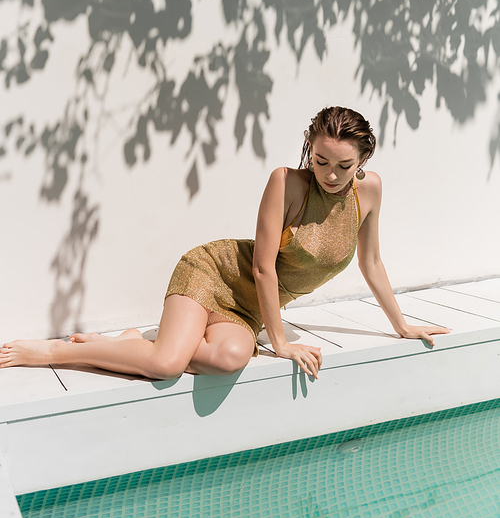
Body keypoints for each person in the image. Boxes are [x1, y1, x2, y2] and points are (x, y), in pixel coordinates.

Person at [0, 106, 449, 380]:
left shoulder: (368, 192)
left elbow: (371, 263)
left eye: (344, 165)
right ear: (309, 152)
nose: (330, 174)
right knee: (165, 365)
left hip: (247, 307)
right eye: (320, 160)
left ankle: (132, 342)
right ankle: (57, 351)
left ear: (364, 159)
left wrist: (402, 326)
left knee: (230, 358)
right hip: (214, 273)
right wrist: (282, 342)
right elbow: (262, 267)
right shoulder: (287, 183)